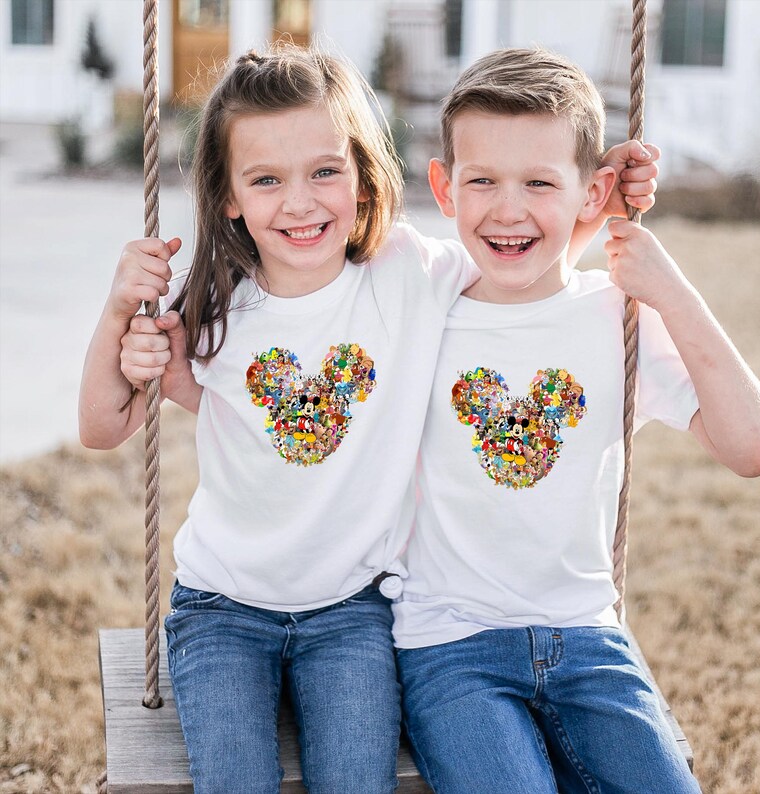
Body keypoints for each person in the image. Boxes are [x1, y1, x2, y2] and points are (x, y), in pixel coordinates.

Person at [78, 42, 658, 793]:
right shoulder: (212, 301)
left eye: (325, 170)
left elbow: (521, 261)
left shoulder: (408, 275)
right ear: (229, 195)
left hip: (352, 613)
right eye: (266, 179)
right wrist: (121, 306)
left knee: (358, 780)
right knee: (236, 781)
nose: (300, 201)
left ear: (360, 171)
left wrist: (597, 194)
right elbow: (102, 424)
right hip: (221, 607)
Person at [392, 48, 760, 793]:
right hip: (451, 647)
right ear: (444, 187)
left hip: (589, 640)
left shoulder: (619, 316)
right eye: (483, 181)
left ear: (592, 189)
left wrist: (672, 292)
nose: (508, 209)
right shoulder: (421, 296)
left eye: (540, 182)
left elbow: (755, 448)